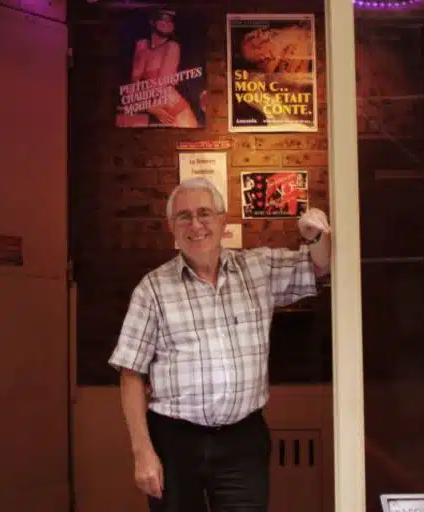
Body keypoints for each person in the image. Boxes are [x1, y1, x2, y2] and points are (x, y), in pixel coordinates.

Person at [108, 176, 332, 511]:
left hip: (243, 440)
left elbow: (319, 265)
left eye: (204, 213)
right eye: (184, 216)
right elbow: (131, 373)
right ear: (172, 226)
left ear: (222, 220)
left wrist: (316, 234)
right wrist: (142, 452)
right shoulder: (152, 289)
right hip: (174, 440)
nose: (195, 224)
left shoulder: (258, 269)